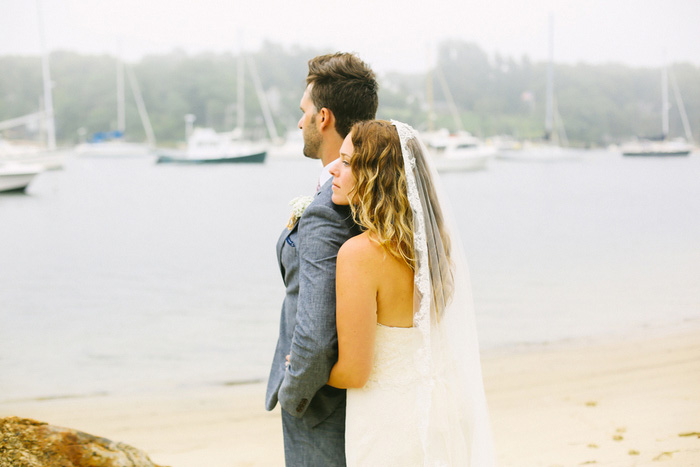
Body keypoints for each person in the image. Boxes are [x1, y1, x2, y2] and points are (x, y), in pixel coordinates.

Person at [323, 120, 495, 465]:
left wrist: (304, 371)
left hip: (391, 424)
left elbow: (355, 371)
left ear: (374, 175)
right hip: (444, 406)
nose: (332, 168)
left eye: (345, 162)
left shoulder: (359, 255)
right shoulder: (433, 244)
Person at [265, 52, 378, 466]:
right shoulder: (369, 193)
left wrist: (293, 394)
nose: (300, 122)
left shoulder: (326, 213)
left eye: (304, 111)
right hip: (357, 400)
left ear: (324, 117)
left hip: (320, 408)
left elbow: (314, 336)